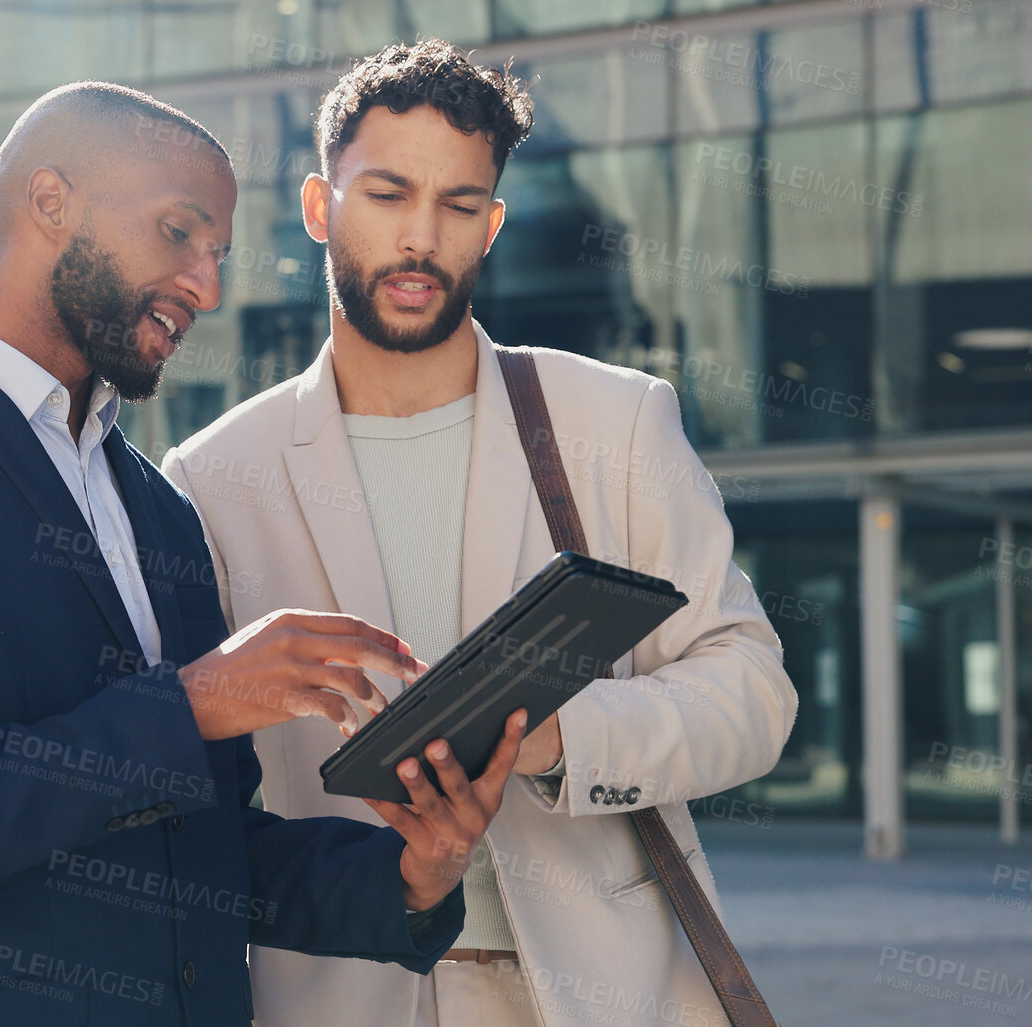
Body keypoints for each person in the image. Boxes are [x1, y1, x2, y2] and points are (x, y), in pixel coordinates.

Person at [0, 81, 529, 1025]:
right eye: (178, 232)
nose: (207, 285)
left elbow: (207, 851)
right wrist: (187, 706)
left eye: (220, 253)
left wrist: (410, 873)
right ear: (50, 202)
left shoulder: (159, 507)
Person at [161, 41, 798, 1027]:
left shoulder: (615, 422)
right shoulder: (210, 478)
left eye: (459, 206)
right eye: (387, 195)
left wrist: (553, 735)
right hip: (339, 992)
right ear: (320, 208)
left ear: (491, 226)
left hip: (593, 993)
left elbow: (752, 688)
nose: (422, 238)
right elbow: (202, 799)